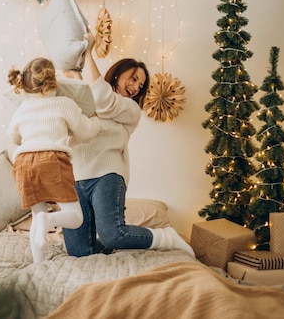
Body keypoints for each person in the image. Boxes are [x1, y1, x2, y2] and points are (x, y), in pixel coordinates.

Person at [62, 33, 195, 257]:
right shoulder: (89, 96)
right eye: (133, 78)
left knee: (113, 234)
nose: (135, 87)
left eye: (140, 85)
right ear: (120, 72)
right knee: (78, 251)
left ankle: (165, 236)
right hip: (76, 177)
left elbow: (103, 100)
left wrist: (89, 53)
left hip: (107, 175)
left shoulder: (130, 110)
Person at [7, 57, 101, 262]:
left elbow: (13, 137)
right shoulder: (64, 104)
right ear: (54, 81)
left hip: (23, 163)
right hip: (52, 159)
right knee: (76, 217)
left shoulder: (23, 108)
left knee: (37, 211)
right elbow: (85, 132)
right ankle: (47, 220)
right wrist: (95, 120)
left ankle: (38, 262)